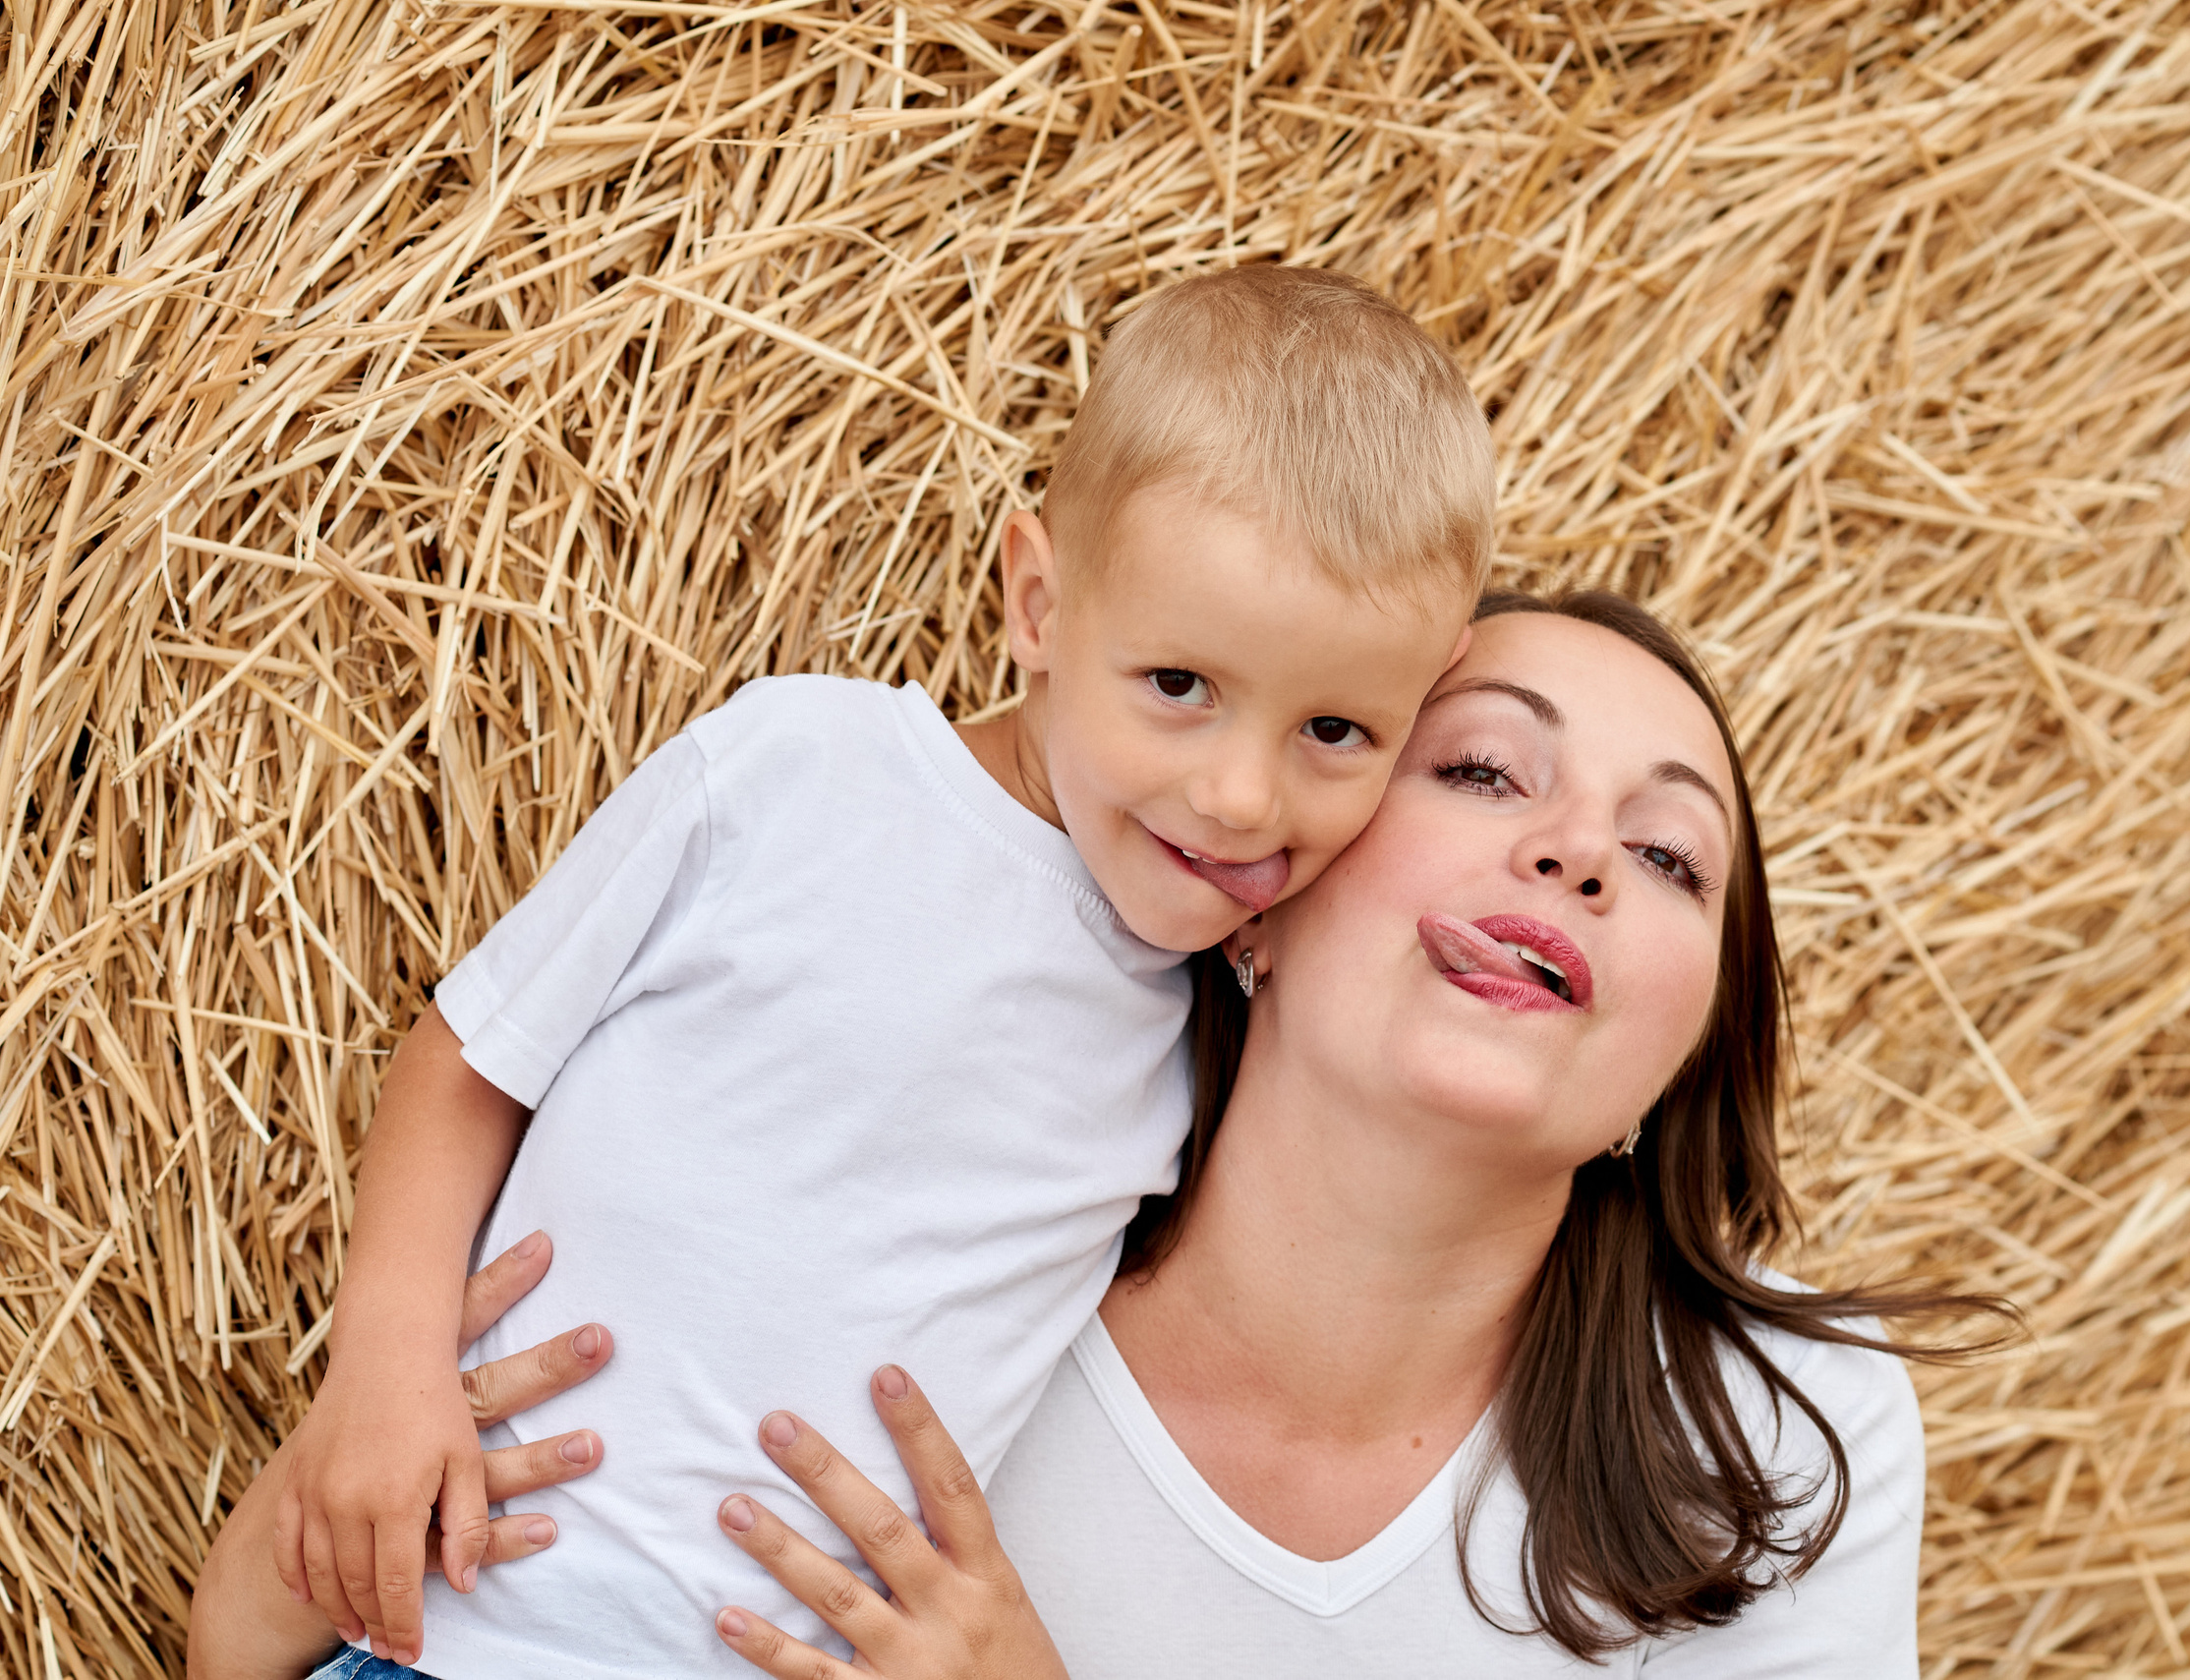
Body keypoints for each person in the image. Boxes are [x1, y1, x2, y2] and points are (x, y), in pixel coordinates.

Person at [198, 589, 1998, 1678]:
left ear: (1677, 1063)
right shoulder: (932, 1326)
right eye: (1474, 769)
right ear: (1264, 893)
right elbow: (286, 1623)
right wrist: (372, 1458)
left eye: (1669, 858)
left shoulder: (1774, 1445)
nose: (1578, 852)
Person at [233, 264, 1494, 1680]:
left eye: (1335, 729)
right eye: (1180, 687)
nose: (1243, 798)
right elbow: (469, 1058)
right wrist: (388, 1364)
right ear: (1038, 599)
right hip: (462, 1630)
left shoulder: (1213, 1024)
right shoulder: (792, 771)